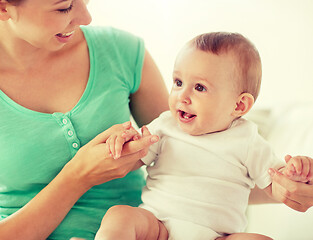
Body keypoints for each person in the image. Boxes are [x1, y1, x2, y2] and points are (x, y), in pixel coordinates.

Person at [95, 32, 313, 240]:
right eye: (178, 82)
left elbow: (275, 184)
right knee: (120, 215)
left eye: (199, 87)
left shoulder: (247, 139)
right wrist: (124, 142)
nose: (182, 96)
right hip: (157, 226)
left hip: (217, 235)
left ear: (239, 105)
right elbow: (130, 160)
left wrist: (295, 173)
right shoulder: (165, 126)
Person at [0, 0, 169, 239]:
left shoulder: (121, 51)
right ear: (4, 8)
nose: (86, 18)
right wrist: (78, 177)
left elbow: (182, 151)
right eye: (64, 7)